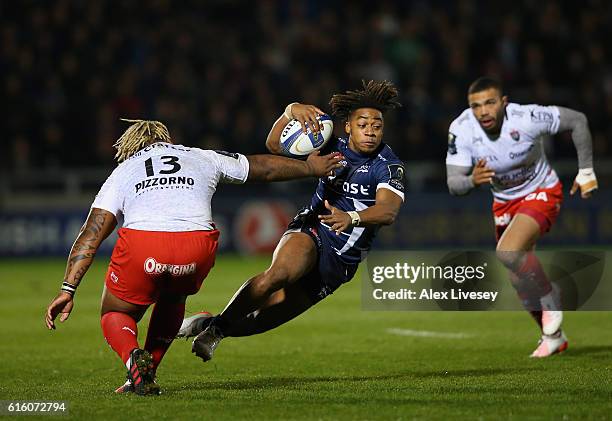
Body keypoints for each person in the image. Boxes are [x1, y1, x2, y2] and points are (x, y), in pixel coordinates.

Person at [44, 119, 342, 395]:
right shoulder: (200, 156)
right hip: (197, 246)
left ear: (130, 146)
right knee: (173, 300)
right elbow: (261, 167)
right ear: (168, 141)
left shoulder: (125, 170)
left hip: (145, 245)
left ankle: (132, 357)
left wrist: (68, 289)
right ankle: (146, 374)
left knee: (116, 313)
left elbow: (92, 232)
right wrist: (310, 169)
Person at [178, 80, 406, 363]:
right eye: (363, 124)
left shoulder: (388, 166)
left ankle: (207, 325)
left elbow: (388, 211)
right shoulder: (330, 145)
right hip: (313, 230)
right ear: (348, 126)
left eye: (377, 126)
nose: (370, 131)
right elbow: (273, 144)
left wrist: (351, 217)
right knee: (278, 275)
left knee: (257, 322)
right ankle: (215, 333)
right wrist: (289, 112)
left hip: (339, 263)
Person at [445, 77, 598, 357]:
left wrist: (586, 170)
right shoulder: (461, 129)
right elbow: (454, 183)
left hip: (542, 190)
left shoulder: (526, 117)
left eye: (490, 103)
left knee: (508, 252)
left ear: (504, 103)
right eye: (476, 106)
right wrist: (472, 181)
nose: (483, 111)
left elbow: (577, 120)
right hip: (503, 203)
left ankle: (550, 296)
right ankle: (553, 338)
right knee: (518, 278)